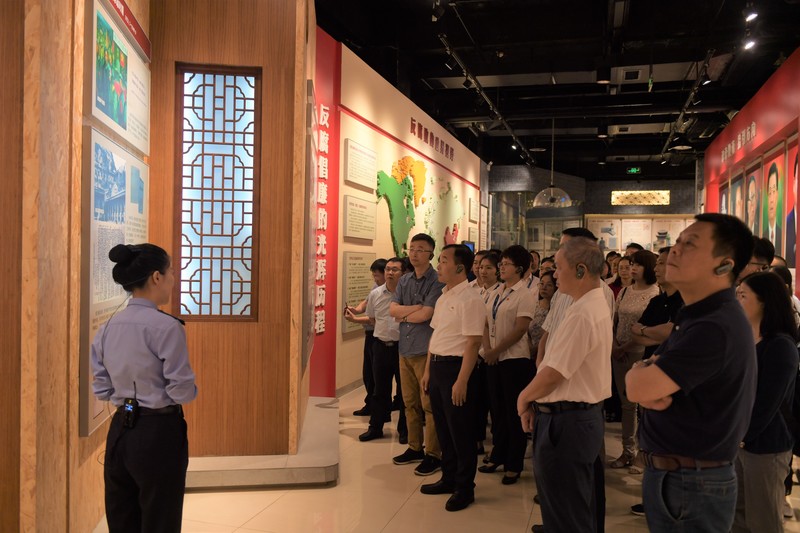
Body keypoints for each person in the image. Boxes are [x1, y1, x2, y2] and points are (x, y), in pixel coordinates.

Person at [626, 213, 757, 533]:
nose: (675, 250)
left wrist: (642, 373)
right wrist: (647, 376)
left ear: (724, 265)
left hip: (692, 482)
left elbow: (638, 388)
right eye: (678, 242)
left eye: (690, 245)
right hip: (681, 476)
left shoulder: (714, 325)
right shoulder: (697, 314)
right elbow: (646, 385)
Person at [91, 243, 197, 532]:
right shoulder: (167, 327)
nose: (173, 278)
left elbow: (101, 389)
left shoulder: (107, 327)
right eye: (171, 271)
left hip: (120, 432)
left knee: (122, 518)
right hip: (158, 432)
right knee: (160, 519)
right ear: (156, 277)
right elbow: (181, 390)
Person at [517, 237, 612, 533]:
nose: (554, 275)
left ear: (580, 269)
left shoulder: (584, 312)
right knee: (576, 504)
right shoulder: (587, 303)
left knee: (567, 510)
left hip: (568, 421)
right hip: (578, 416)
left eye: (558, 267)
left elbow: (554, 373)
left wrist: (524, 398)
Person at [419, 244, 486, 512]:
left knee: (461, 432)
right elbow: (435, 336)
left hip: (456, 369)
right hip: (437, 368)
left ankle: (464, 488)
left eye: (444, 260)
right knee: (443, 429)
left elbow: (473, 342)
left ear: (460, 267)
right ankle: (448, 478)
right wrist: (427, 370)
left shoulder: (471, 299)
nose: (439, 265)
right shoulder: (443, 296)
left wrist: (462, 380)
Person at [733, 271, 799, 532]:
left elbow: (767, 404)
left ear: (764, 301)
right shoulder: (745, 338)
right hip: (741, 440)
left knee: (763, 521)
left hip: (766, 445)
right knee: (737, 517)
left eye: (743, 296)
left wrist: (740, 437)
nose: (737, 301)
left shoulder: (780, 346)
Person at [479, 245, 537, 485]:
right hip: (492, 359)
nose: (501, 267)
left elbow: (521, 329)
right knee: (497, 411)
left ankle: (514, 463)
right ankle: (498, 455)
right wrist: (488, 350)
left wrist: (496, 351)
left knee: (514, 414)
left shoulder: (525, 294)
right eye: (501, 263)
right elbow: (484, 322)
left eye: (506, 264)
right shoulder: (496, 292)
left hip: (514, 361)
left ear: (519, 268)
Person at [390, 233, 444, 476]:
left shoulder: (436, 281)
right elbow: (393, 310)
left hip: (425, 351)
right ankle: (415, 447)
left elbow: (427, 315)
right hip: (405, 350)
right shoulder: (404, 280)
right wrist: (414, 310)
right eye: (412, 248)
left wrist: (405, 314)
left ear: (431, 254)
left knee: (428, 405)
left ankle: (433, 453)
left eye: (420, 249)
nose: (414, 253)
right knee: (409, 403)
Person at [609, 250, 660, 470]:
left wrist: (625, 347)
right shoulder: (624, 291)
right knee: (627, 404)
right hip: (618, 351)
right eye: (631, 264)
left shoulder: (654, 293)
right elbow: (614, 321)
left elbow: (648, 328)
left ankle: (642, 452)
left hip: (640, 352)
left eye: (638, 265)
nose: (633, 268)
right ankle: (627, 450)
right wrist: (615, 346)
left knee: (643, 404)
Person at [357, 258, 408, 443]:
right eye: (387, 269)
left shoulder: (407, 294)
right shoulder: (376, 294)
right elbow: (372, 318)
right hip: (380, 346)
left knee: (405, 392)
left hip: (402, 348)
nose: (390, 273)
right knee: (379, 390)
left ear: (404, 273)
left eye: (395, 269)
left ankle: (405, 430)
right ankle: (376, 427)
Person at [347, 259, 387, 417]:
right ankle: (371, 403)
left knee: (377, 375)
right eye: (373, 275)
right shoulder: (376, 287)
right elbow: (366, 301)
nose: (375, 279)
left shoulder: (390, 291)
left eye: (377, 275)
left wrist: (355, 320)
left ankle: (377, 408)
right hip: (370, 335)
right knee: (368, 372)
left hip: (379, 336)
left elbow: (374, 319)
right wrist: (356, 310)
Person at [528, 270, 555, 362]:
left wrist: (537, 348)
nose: (544, 287)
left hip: (549, 354)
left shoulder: (557, 309)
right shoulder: (533, 305)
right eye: (542, 284)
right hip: (529, 353)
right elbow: (525, 329)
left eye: (549, 285)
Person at [766, 163, 782, 248]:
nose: (771, 200)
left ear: (777, 195)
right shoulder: (762, 236)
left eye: (774, 192)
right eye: (769, 193)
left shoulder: (783, 235)